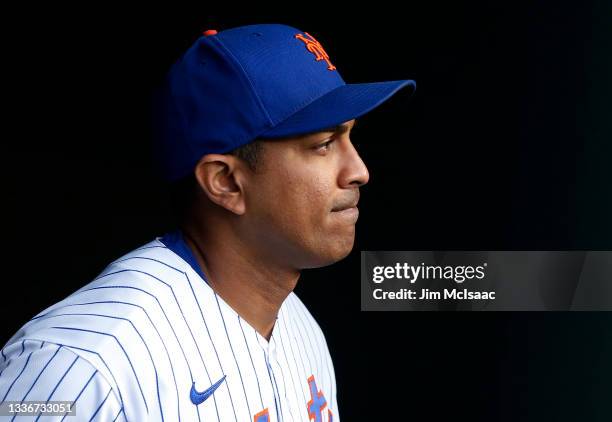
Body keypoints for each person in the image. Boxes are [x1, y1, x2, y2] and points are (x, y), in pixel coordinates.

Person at [0, 23, 415, 421]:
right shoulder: (85, 364)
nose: (359, 170)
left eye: (350, 137)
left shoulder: (299, 328)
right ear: (225, 182)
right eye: (323, 145)